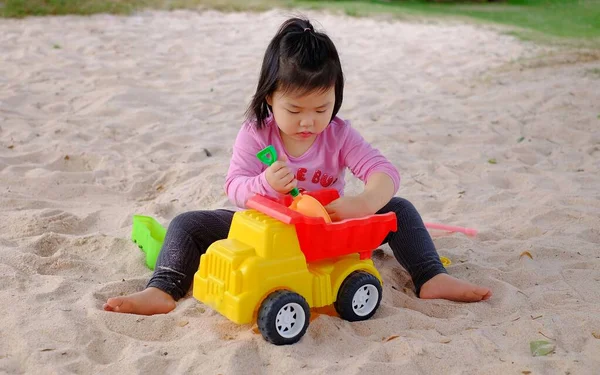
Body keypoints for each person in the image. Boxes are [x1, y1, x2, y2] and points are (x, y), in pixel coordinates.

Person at [104, 17, 491, 316]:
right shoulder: (257, 133)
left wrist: (363, 203)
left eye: (321, 108)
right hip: (267, 233)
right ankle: (163, 288)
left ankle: (430, 276)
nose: (309, 122)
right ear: (270, 97)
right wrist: (264, 183)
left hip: (327, 232)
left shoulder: (338, 134)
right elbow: (234, 185)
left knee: (400, 210)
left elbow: (384, 171)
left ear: (335, 97)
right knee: (186, 224)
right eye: (295, 110)